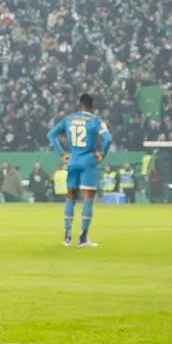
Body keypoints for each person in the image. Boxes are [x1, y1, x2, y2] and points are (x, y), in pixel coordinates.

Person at [47, 95, 113, 247]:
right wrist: (102, 154)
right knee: (88, 198)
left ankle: (67, 237)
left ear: (80, 104)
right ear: (92, 106)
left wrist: (62, 153)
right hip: (88, 161)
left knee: (71, 198)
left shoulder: (69, 119)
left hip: (73, 160)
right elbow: (108, 138)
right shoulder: (95, 121)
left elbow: (51, 135)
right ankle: (82, 239)